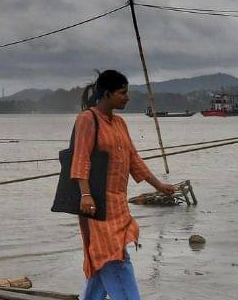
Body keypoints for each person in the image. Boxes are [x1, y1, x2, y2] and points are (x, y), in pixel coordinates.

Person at [71, 70, 175, 300]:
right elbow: (80, 159)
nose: (127, 97)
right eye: (122, 93)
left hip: (118, 204)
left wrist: (158, 185)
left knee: (104, 259)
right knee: (114, 257)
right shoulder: (88, 119)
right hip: (97, 205)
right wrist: (85, 195)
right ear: (106, 94)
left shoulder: (119, 123)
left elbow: (133, 159)